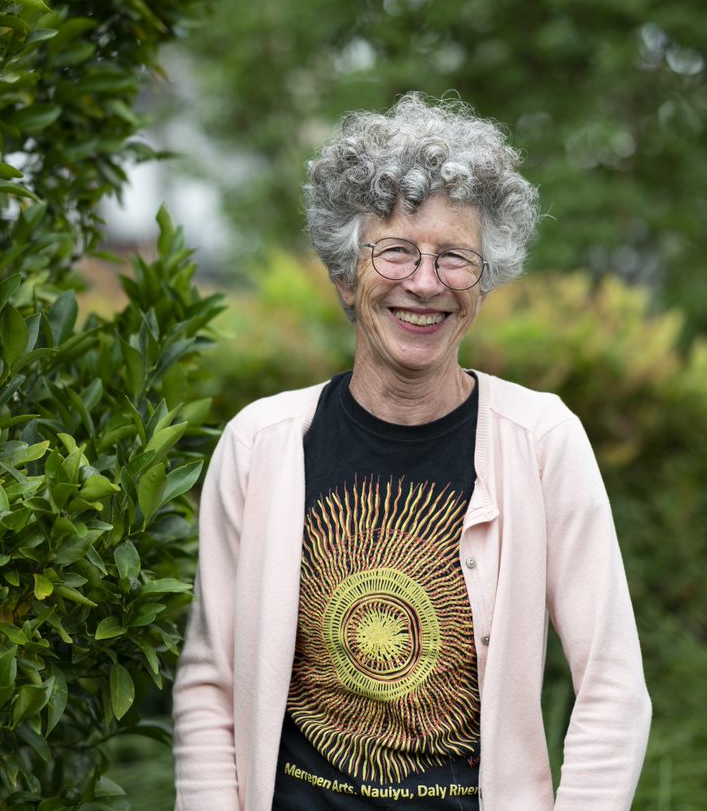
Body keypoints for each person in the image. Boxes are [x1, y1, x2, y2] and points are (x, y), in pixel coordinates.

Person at [172, 93, 650, 811]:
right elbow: (211, 681)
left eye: (454, 257)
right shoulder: (260, 445)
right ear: (343, 275)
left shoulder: (543, 442)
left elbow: (613, 684)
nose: (424, 283)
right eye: (395, 250)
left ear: (483, 285)